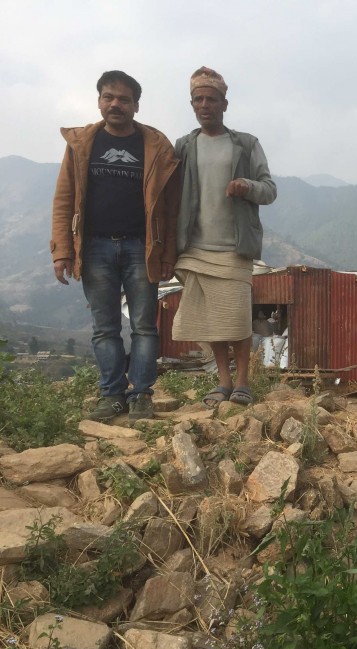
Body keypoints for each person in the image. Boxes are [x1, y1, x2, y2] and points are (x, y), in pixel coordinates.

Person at [51, 70, 179, 422]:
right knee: (104, 327)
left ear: (136, 105)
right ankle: (112, 395)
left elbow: (170, 209)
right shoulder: (81, 144)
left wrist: (168, 254)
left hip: (142, 248)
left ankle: (141, 395)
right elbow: (64, 199)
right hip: (94, 248)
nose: (115, 104)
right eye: (108, 97)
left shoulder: (155, 147)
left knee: (144, 326)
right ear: (99, 101)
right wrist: (62, 250)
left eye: (124, 99)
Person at [172, 67, 277, 407]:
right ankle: (223, 381)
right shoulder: (184, 146)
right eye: (198, 99)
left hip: (234, 247)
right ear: (192, 104)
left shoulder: (246, 144)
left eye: (212, 99)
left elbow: (270, 189)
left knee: (236, 317)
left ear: (224, 104)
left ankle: (243, 382)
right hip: (194, 247)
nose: (205, 105)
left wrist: (246, 186)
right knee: (211, 318)